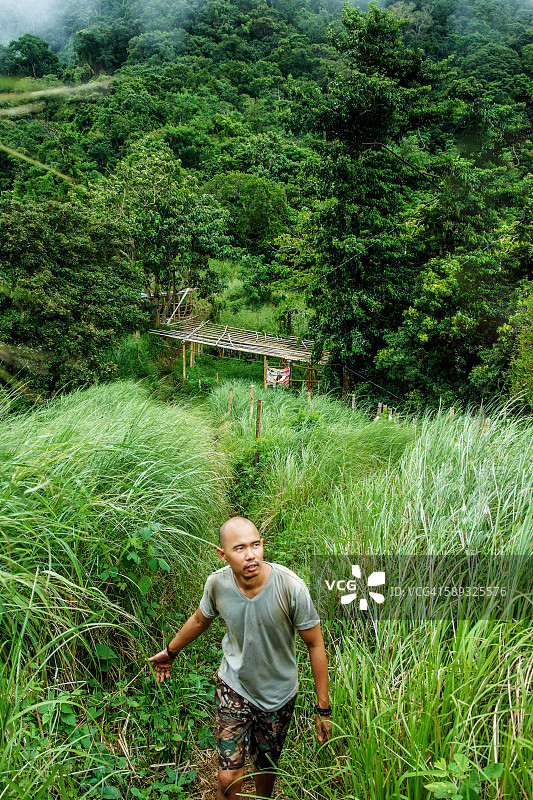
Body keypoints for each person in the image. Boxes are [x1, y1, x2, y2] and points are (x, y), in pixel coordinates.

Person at [148, 516, 332, 799]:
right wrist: (171, 651)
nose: (251, 555)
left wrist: (323, 709)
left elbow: (315, 644)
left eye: (255, 545)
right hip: (234, 686)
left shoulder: (290, 587)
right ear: (222, 554)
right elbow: (200, 620)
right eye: (240, 548)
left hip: (278, 694)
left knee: (265, 770)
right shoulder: (217, 584)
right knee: (228, 777)